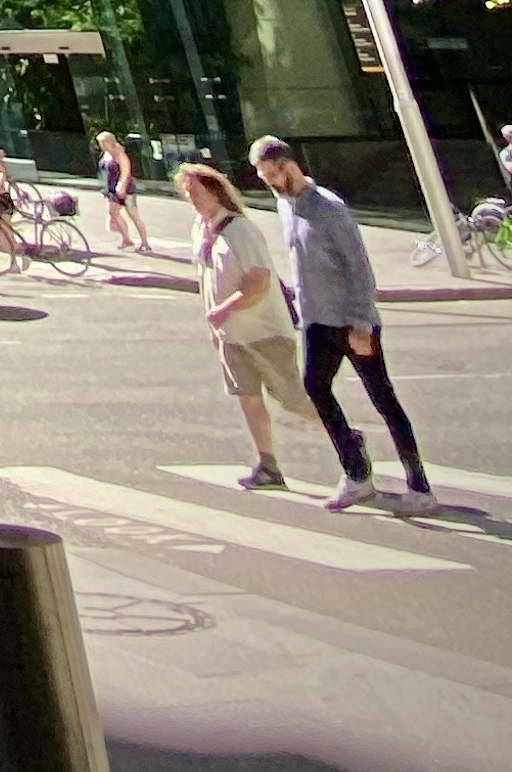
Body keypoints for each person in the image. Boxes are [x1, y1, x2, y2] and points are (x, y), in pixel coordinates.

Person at [249, 135, 432, 507]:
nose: (269, 183)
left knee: (384, 400)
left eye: (272, 174)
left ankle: (419, 486)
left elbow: (360, 270)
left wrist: (362, 323)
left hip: (351, 323)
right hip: (317, 323)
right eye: (263, 177)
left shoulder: (329, 209)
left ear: (289, 165)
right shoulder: (286, 204)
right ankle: (357, 473)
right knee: (315, 389)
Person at [178, 159, 308, 488]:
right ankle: (268, 465)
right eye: (187, 192)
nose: (192, 198)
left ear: (216, 191)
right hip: (231, 335)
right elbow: (205, 281)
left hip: (263, 331)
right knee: (248, 398)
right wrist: (215, 327)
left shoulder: (240, 230)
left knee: (293, 400)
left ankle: (347, 440)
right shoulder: (200, 229)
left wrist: (224, 310)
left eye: (197, 191)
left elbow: (260, 281)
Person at [94, 126, 145, 257]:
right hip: (111, 189)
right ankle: (126, 238)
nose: (100, 145)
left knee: (133, 215)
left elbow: (126, 171)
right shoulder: (105, 155)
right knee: (112, 212)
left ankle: (144, 242)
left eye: (101, 142)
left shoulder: (119, 153)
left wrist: (121, 185)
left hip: (125, 189)